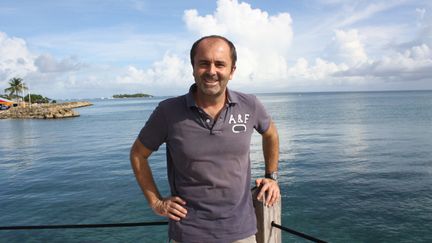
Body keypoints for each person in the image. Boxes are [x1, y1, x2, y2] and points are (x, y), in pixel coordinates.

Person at [130, 35, 280, 243]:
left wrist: (271, 177)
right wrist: (156, 202)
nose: (211, 71)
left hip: (241, 232)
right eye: (203, 63)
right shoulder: (168, 111)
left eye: (220, 64)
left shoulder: (250, 105)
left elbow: (270, 133)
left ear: (232, 71)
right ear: (193, 68)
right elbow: (138, 154)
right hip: (188, 233)